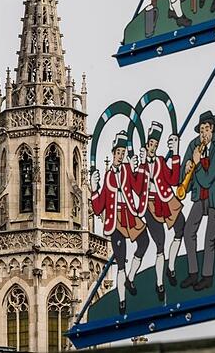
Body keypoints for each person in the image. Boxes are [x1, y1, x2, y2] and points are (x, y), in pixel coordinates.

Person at [90, 131, 147, 315]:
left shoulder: (127, 170)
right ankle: (122, 301)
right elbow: (98, 207)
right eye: (118, 152)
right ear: (113, 152)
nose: (121, 155)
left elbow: (139, 188)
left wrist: (139, 168)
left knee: (144, 242)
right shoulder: (107, 177)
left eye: (123, 152)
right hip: (115, 222)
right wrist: (93, 188)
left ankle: (131, 278)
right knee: (120, 262)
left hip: (130, 216)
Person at [134, 121, 182, 302]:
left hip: (165, 201)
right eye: (151, 144)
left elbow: (174, 178)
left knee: (181, 227)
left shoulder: (161, 161)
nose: (153, 147)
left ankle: (171, 267)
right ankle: (160, 283)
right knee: (160, 243)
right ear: (146, 145)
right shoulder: (142, 165)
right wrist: (140, 165)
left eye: (155, 145)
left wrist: (175, 153)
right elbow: (137, 188)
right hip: (150, 206)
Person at [177, 111, 215, 291]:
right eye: (201, 130)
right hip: (199, 196)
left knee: (209, 238)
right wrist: (187, 166)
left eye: (206, 129)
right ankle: (192, 272)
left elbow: (208, 178)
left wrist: (196, 164)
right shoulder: (194, 144)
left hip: (214, 197)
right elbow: (182, 177)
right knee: (189, 231)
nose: (203, 133)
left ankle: (207, 276)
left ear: (212, 128)